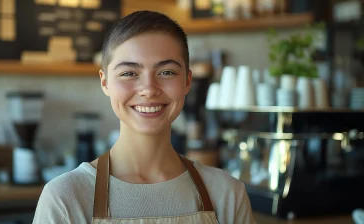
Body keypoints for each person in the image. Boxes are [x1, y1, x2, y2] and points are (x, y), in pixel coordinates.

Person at [33, 10, 256, 224]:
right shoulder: (66, 198)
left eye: (166, 72)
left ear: (187, 81)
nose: (149, 89)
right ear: (105, 82)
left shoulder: (227, 195)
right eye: (129, 73)